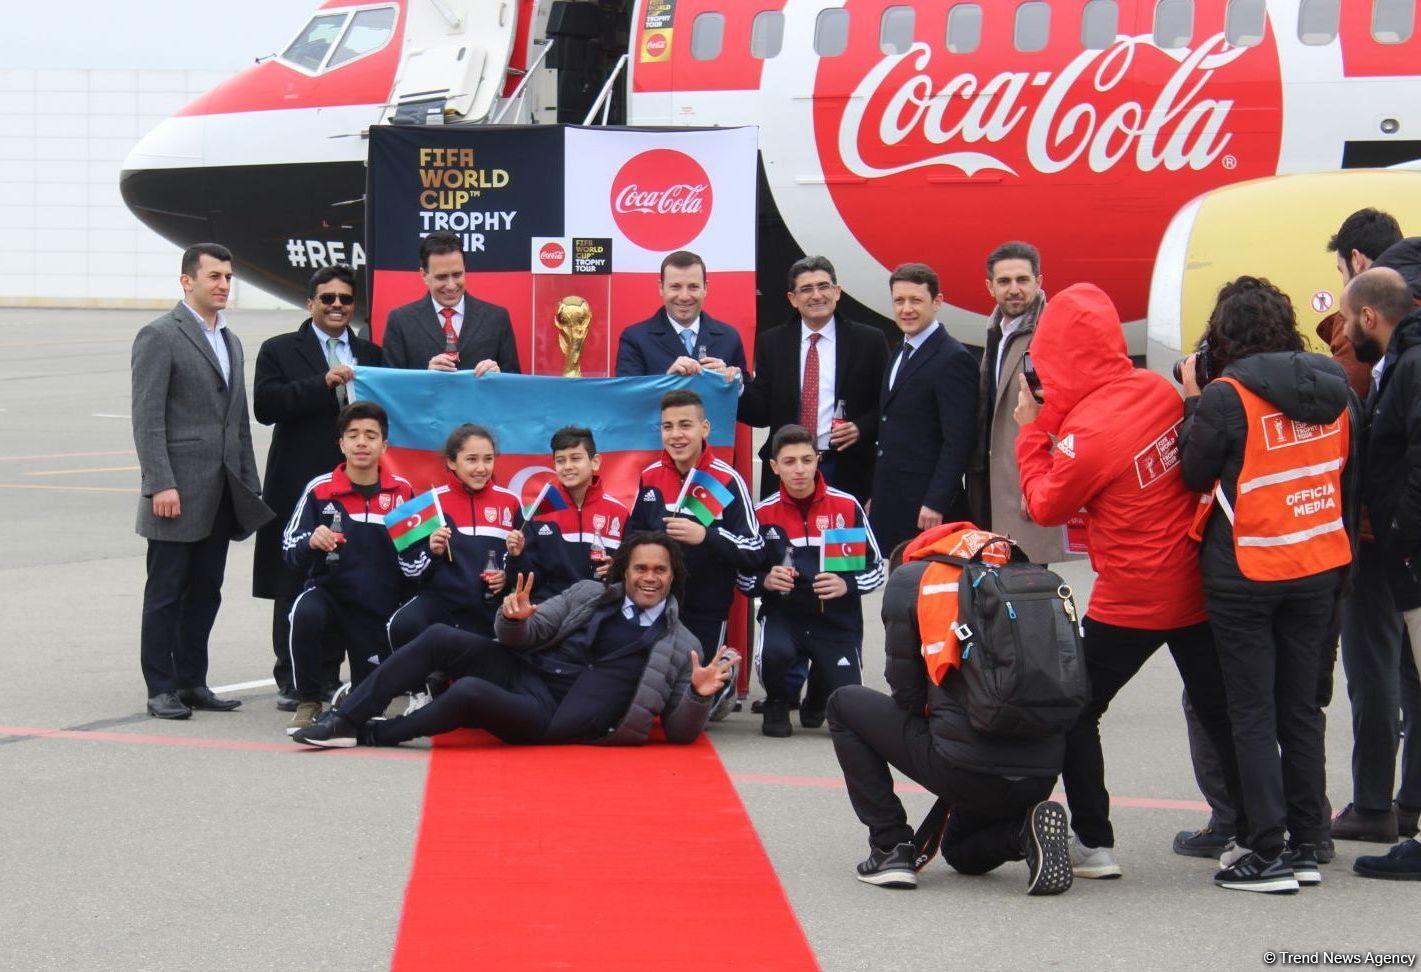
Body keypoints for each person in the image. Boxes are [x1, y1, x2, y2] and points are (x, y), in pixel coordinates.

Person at [1014, 282, 1246, 881]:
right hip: (1194, 580)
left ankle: (1095, 841)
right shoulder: (1155, 389)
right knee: (1222, 711)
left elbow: (1045, 505)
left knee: (1076, 710)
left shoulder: (1085, 435)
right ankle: (1255, 834)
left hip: (1133, 594)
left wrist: (1031, 430)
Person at [1179, 277, 1357, 893]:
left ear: (1224, 334)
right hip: (1318, 560)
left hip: (1248, 568)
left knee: (1251, 711)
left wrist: (1192, 401)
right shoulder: (1334, 386)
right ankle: (1309, 840)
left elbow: (1194, 472)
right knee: (1299, 708)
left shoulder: (1227, 396)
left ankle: (1266, 850)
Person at [292, 533, 739, 748]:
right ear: (626, 570)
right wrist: (514, 620)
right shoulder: (589, 593)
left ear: (673, 576)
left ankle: (375, 734)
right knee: (440, 637)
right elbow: (529, 635)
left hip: (555, 715)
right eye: (641, 568)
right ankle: (346, 720)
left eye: (660, 570)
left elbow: (679, 732)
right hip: (527, 670)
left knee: (468, 692)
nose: (649, 577)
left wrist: (699, 695)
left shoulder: (682, 643)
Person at [825, 528, 1071, 896]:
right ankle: (1022, 834)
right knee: (960, 853)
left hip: (965, 767)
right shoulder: (1026, 575)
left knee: (844, 704)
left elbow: (907, 693)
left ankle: (891, 847)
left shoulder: (912, 579)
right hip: (1039, 773)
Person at [131, 242, 273, 719]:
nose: (223, 285)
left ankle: (192, 680)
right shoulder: (159, 335)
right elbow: (147, 418)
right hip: (176, 490)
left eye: (228, 277)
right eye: (214, 276)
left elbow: (236, 421)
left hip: (222, 491)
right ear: (186, 281)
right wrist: (159, 483)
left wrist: (248, 481)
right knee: (166, 592)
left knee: (206, 590)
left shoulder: (230, 340)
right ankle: (160, 687)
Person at [253, 265, 383, 711]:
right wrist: (321, 383)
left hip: (357, 486)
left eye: (345, 299)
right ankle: (292, 677)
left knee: (348, 575)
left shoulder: (372, 353)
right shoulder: (279, 349)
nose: (337, 306)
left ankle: (331, 674)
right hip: (297, 482)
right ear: (310, 303)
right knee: (293, 577)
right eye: (327, 298)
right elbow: (265, 406)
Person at [1342, 267, 1421, 878]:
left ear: (1369, 316)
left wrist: (1398, 533)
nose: (1344, 333)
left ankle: (1395, 818)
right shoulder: (1402, 361)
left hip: (1406, 550)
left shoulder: (1411, 364)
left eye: (1348, 321)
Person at [737, 425, 884, 737]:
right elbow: (743, 577)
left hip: (835, 620)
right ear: (774, 466)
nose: (800, 470)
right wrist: (767, 581)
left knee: (846, 711)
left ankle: (818, 695)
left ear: (818, 459)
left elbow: (877, 569)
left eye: (806, 460)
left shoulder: (846, 506)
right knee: (774, 656)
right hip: (785, 617)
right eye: (789, 462)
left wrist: (847, 585)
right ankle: (778, 700)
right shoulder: (761, 514)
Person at [628, 389, 762, 718]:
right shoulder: (650, 476)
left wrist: (706, 536)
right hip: (656, 605)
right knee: (646, 700)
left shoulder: (726, 479)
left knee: (693, 711)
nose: (676, 435)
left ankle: (724, 676)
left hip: (706, 606)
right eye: (668, 426)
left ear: (704, 428)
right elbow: (630, 539)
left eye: (685, 425)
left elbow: (754, 549)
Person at [282, 402, 415, 730]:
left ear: (384, 445)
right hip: (328, 593)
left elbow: (416, 558)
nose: (361, 442)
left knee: (369, 714)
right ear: (341, 444)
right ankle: (308, 700)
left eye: (371, 435)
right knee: (304, 612)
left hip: (377, 606)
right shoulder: (320, 489)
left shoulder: (403, 492)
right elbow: (289, 548)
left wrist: (433, 547)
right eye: (353, 435)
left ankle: (352, 696)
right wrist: (311, 541)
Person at [737, 255, 888, 503]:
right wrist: (737, 389)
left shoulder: (869, 341)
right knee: (782, 530)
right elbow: (762, 413)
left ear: (837, 292)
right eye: (806, 289)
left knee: (846, 530)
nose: (816, 295)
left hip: (847, 468)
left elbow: (887, 405)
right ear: (792, 299)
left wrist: (862, 428)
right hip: (787, 468)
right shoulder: (772, 342)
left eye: (823, 286)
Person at [868, 262, 977, 558]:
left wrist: (936, 501)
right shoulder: (900, 350)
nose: (906, 309)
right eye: (899, 301)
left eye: (915, 300)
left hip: (926, 510)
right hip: (891, 501)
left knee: (928, 582)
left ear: (937, 301)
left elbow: (959, 440)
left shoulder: (953, 358)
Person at [966, 241, 1066, 563]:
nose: (1014, 289)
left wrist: (1041, 482)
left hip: (1026, 481)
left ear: (1039, 281)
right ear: (990, 287)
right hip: (992, 481)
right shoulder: (996, 330)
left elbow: (1061, 412)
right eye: (1004, 281)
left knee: (1030, 580)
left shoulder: (1052, 332)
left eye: (1022, 280)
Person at [387, 424, 524, 648]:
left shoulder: (511, 501)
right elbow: (409, 569)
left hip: (492, 609)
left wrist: (507, 576)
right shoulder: (430, 503)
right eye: (471, 459)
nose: (481, 468)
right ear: (451, 462)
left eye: (488, 459)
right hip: (444, 608)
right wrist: (432, 551)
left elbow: (527, 562)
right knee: (403, 625)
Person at [506, 426, 629, 598]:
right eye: (561, 460)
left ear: (595, 462)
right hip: (551, 606)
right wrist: (516, 556)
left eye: (575, 458)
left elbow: (631, 572)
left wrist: (617, 570)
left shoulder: (619, 512)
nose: (568, 466)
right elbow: (528, 583)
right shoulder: (537, 512)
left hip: (600, 606)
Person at [380, 230, 520, 375]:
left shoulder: (497, 318)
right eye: (441, 277)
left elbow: (513, 380)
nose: (451, 285)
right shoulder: (401, 321)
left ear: (465, 269)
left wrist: (498, 377)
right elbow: (390, 383)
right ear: (424, 275)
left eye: (457, 274)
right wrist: (426, 377)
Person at [615, 251, 746, 380]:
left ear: (705, 288)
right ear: (661, 288)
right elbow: (628, 392)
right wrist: (668, 381)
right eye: (675, 286)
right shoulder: (635, 339)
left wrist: (735, 383)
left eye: (693, 286)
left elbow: (748, 392)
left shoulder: (729, 338)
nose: (684, 296)